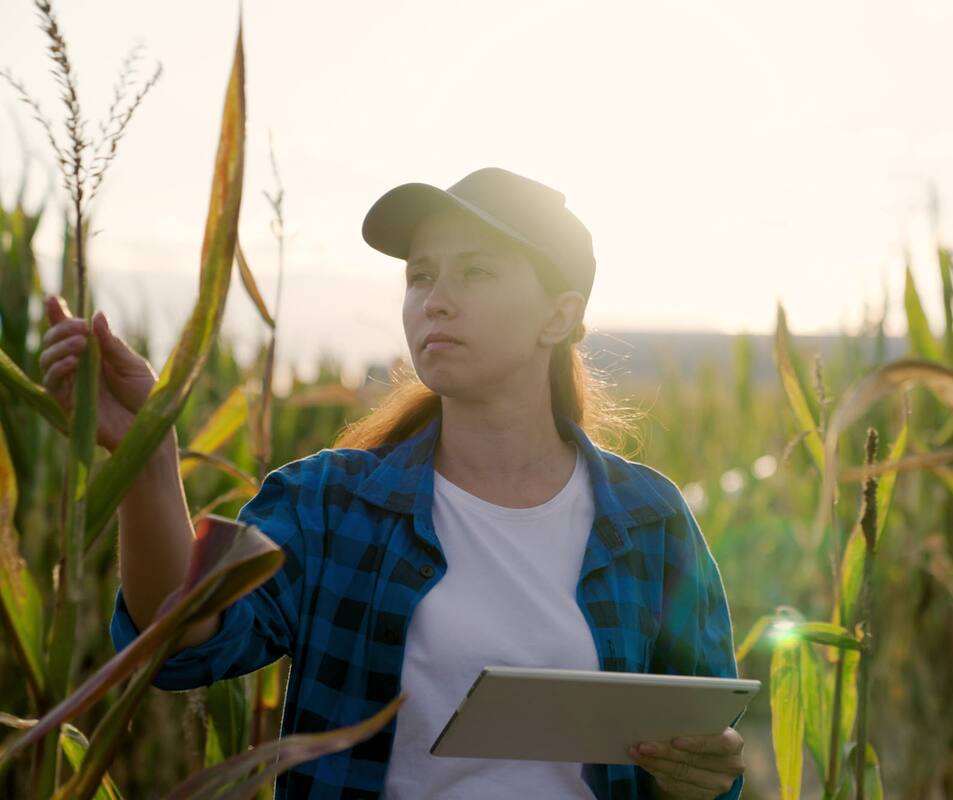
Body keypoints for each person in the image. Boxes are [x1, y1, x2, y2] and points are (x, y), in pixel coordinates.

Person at [38, 166, 746, 799]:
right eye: (420, 276)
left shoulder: (649, 519)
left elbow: (707, 748)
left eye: (476, 272)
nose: (434, 300)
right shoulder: (329, 503)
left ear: (558, 316)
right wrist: (147, 456)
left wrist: (703, 780)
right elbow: (183, 641)